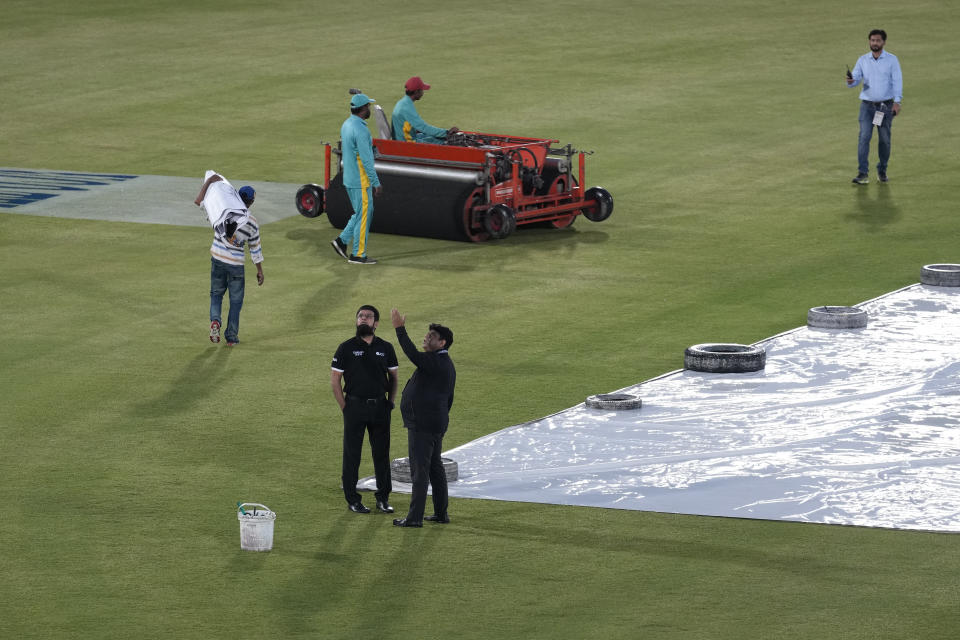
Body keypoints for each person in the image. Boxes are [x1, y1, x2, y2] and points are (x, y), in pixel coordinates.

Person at [390, 308, 456, 528]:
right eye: (427, 334)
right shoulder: (444, 363)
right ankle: (440, 513)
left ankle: (415, 517)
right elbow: (449, 398)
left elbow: (412, 354)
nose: (427, 337)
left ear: (442, 343)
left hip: (423, 425)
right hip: (434, 422)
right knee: (434, 467)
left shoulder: (435, 361)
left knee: (420, 470)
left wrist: (400, 329)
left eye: (432, 337)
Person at [331, 305, 399, 514]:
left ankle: (383, 498)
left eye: (368, 317)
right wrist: (345, 407)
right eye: (360, 316)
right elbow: (335, 381)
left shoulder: (386, 348)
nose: (363, 319)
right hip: (354, 407)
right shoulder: (345, 348)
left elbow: (394, 377)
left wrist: (390, 402)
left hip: (380, 407)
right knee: (352, 455)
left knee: (381, 453)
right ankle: (353, 499)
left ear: (376, 323)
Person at [194, 173, 263, 345]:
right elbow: (255, 248)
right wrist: (259, 270)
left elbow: (200, 202)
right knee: (236, 302)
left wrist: (209, 181)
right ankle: (231, 337)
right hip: (236, 266)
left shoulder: (222, 210)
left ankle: (215, 321)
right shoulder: (252, 222)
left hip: (217, 258)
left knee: (216, 295)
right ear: (251, 202)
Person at [846, 29, 903, 185]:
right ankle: (863, 173)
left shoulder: (892, 60)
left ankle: (882, 170)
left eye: (878, 40)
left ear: (883, 42)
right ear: (869, 42)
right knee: (864, 138)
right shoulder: (863, 60)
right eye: (872, 40)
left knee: (884, 140)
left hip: (885, 107)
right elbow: (856, 79)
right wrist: (851, 81)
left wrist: (897, 102)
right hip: (867, 106)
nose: (875, 43)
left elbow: (897, 81)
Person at [331, 93, 382, 265]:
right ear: (362, 109)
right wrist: (376, 182)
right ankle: (358, 255)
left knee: (360, 213)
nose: (369, 109)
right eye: (367, 106)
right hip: (361, 181)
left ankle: (341, 241)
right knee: (365, 214)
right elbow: (367, 161)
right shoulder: (361, 130)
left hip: (349, 178)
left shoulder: (346, 124)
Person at [391, 76, 459, 145]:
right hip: (407, 143)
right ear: (417, 91)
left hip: (407, 138)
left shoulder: (403, 102)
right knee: (444, 143)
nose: (423, 92)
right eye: (422, 90)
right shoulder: (406, 108)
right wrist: (446, 133)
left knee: (433, 138)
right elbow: (423, 127)